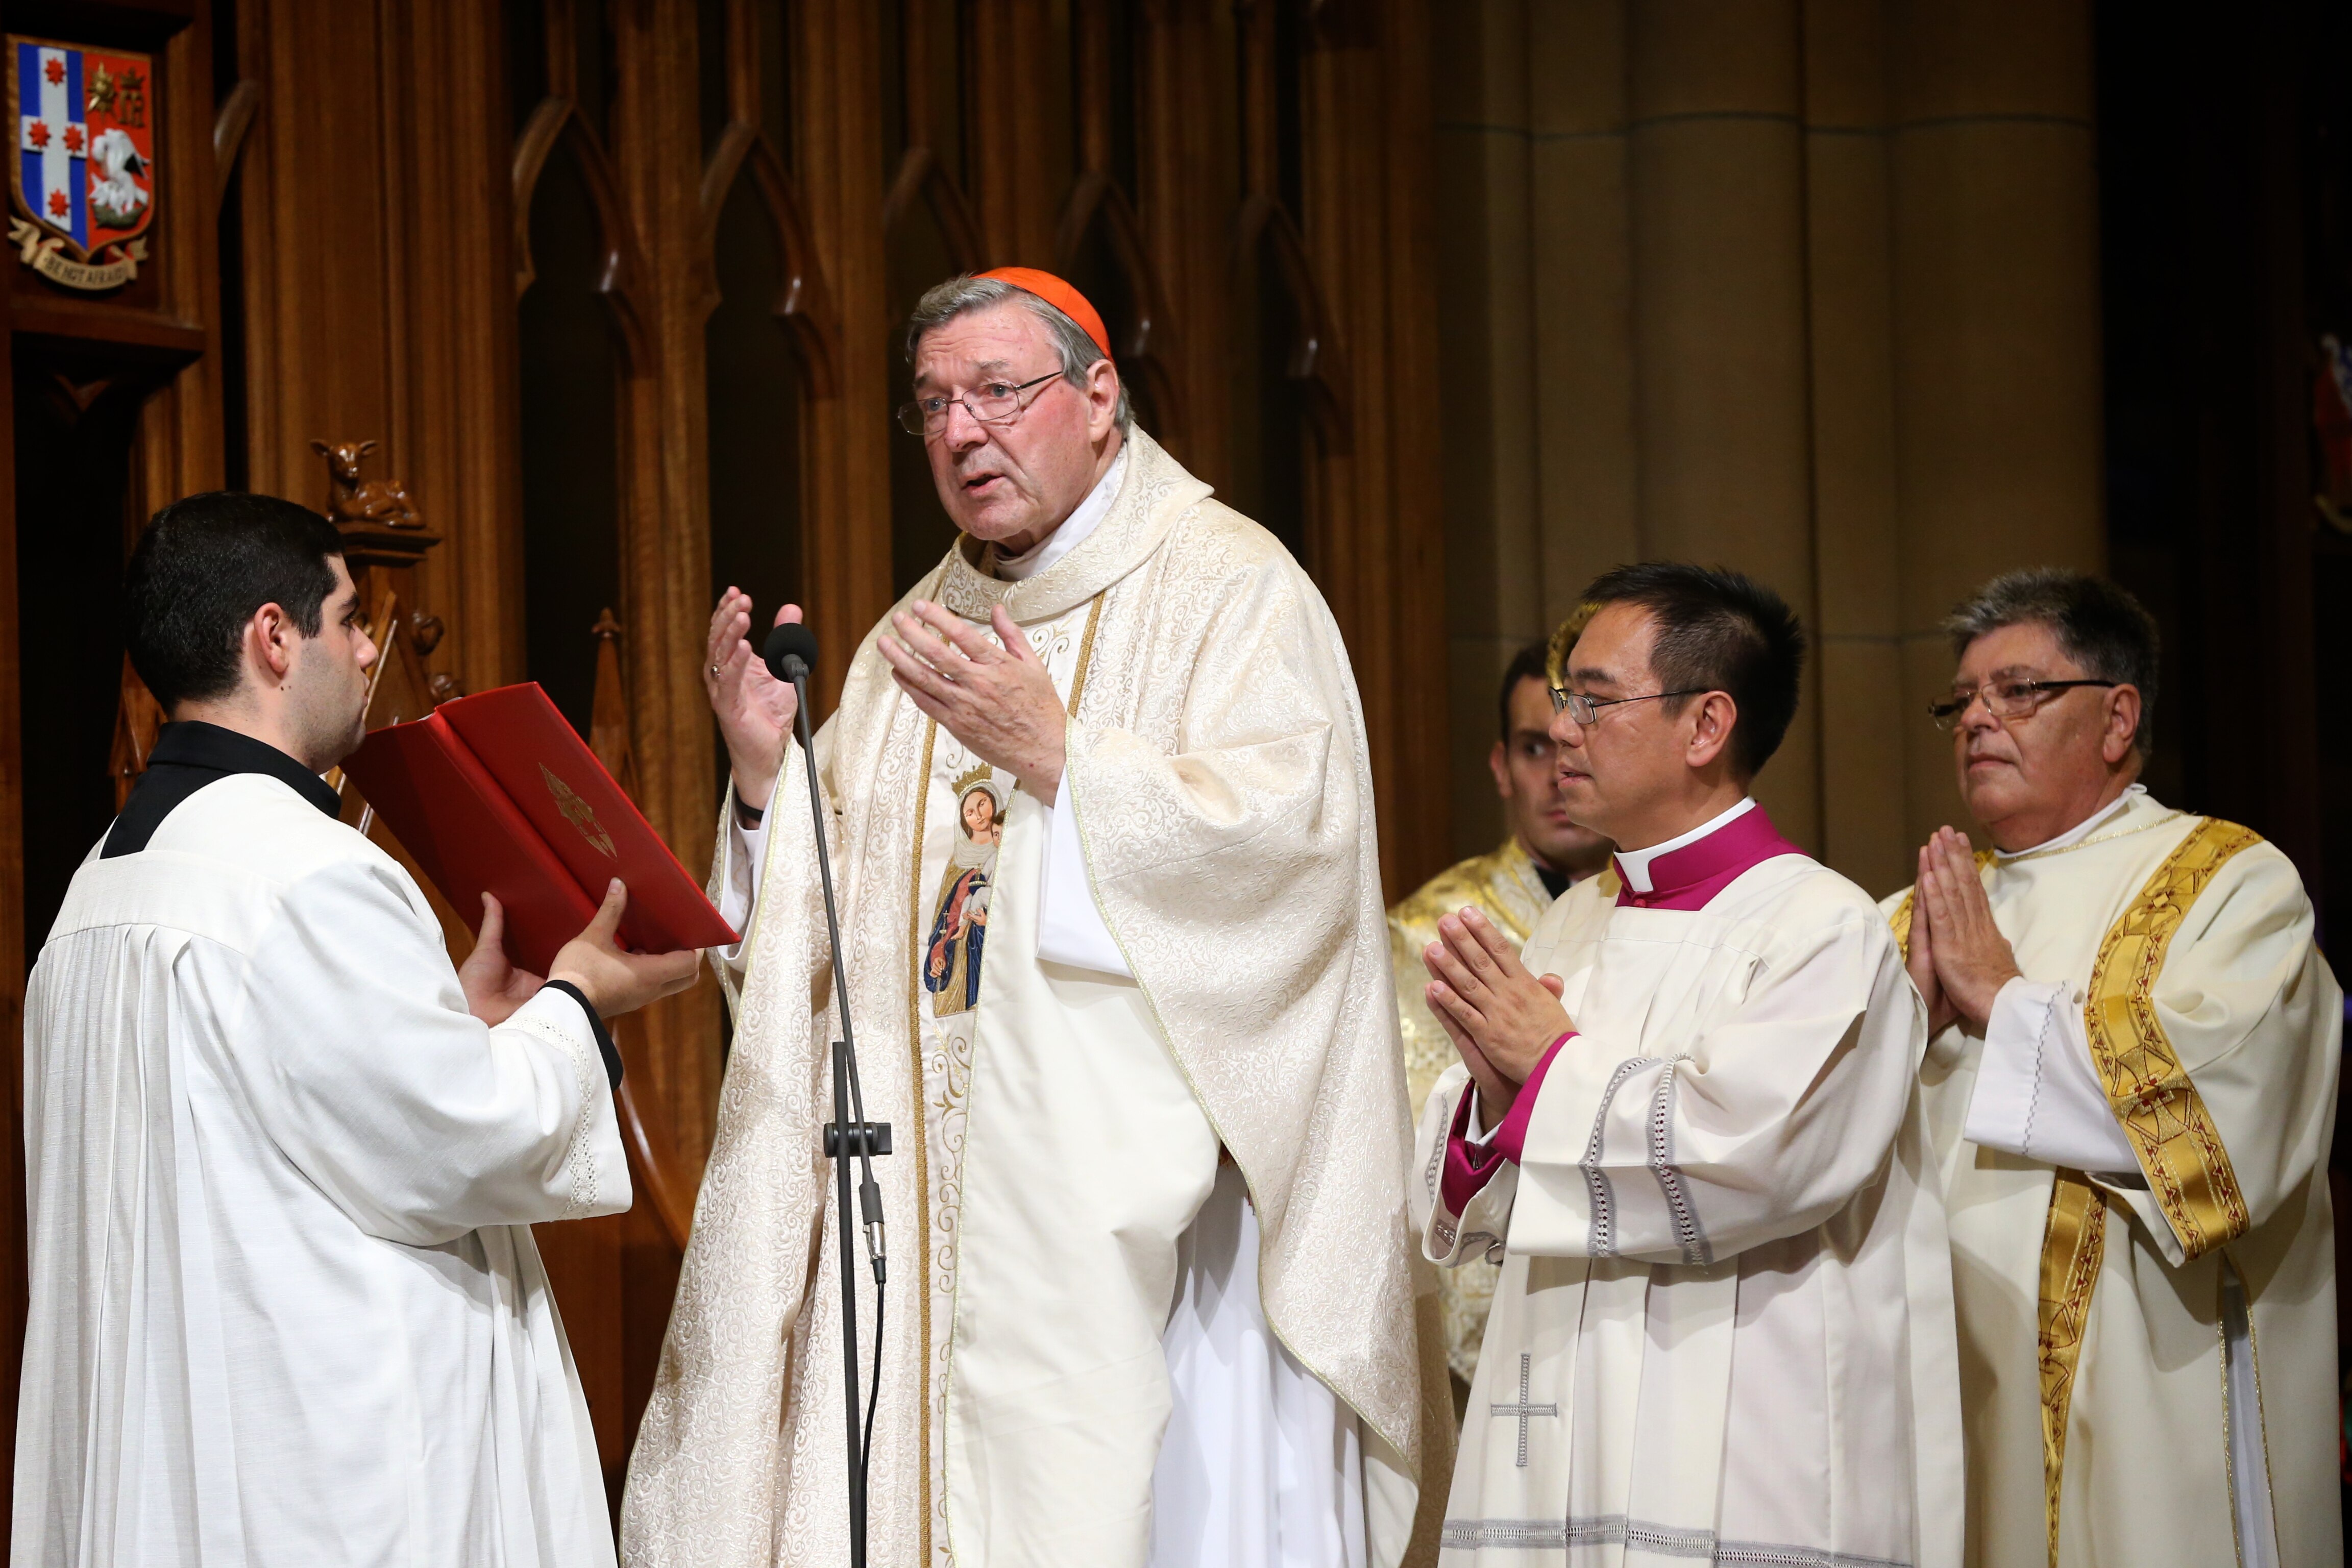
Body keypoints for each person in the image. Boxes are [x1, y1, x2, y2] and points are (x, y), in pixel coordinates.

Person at [623, 270, 1437, 1568]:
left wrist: (1069, 765)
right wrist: (773, 780)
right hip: (924, 1214)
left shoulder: (1231, 589)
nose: (960, 431)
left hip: (1160, 1231)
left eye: (998, 391)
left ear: (1101, 397)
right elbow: (832, 932)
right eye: (934, 404)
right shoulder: (920, 636)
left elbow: (1296, 855)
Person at [15, 493, 700, 1565]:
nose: (372, 645)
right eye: (348, 617)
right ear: (275, 638)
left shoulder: (99, 884)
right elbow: (463, 1140)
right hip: (330, 1462)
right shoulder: (310, 871)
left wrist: (462, 1025)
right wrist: (577, 999)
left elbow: (291, 1111)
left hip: (183, 1449)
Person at [1412, 562, 1959, 1568]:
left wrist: (1546, 1073)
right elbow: (1474, 1187)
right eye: (1563, 696)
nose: (1565, 729)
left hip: (1740, 1440)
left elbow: (1753, 1156)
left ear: (1707, 725)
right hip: (1559, 1430)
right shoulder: (1572, 924)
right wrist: (1492, 1104)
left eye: (1594, 698)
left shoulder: (1819, 930)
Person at [1891, 569, 2340, 1568]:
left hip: (2141, 1387)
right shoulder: (1916, 912)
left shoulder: (2227, 884)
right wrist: (1905, 1033)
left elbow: (2226, 1128)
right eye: (1960, 700)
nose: (1977, 720)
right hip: (1944, 1377)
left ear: (2117, 715)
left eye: (2018, 691)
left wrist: (2002, 1001)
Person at [1388, 626, 1612, 1407]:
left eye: (1577, 737)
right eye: (1532, 749)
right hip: (1490, 1348)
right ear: (1500, 768)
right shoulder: (1425, 934)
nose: (1559, 773)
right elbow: (1411, 1152)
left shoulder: (1667, 916)